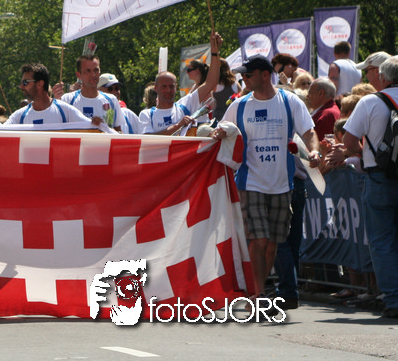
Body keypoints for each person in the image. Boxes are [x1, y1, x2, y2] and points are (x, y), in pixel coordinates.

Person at [212, 55, 321, 300]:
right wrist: (218, 133)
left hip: (282, 184)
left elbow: (308, 131)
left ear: (264, 75)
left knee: (273, 243)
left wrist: (314, 151)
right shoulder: (239, 105)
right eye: (243, 75)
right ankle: (258, 294)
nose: (244, 79)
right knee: (259, 239)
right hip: (250, 183)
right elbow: (222, 130)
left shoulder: (289, 101)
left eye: (248, 75)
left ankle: (260, 291)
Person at [340, 55, 398, 319]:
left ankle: (393, 300)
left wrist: (365, 154)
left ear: (384, 77)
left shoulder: (371, 102)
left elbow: (349, 140)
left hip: (379, 177)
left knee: (382, 241)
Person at [140, 32, 222, 135]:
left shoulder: (185, 105)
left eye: (171, 86)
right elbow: (148, 138)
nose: (168, 90)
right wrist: (178, 126)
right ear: (156, 88)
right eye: (164, 86)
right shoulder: (147, 114)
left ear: (176, 87)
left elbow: (211, 83)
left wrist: (214, 52)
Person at [4, 63, 93, 126]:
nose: (21, 87)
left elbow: (93, 128)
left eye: (25, 82)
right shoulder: (20, 116)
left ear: (40, 84)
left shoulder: (65, 111)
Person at [59, 56, 123, 131]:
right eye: (88, 71)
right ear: (78, 75)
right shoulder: (67, 100)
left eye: (96, 70)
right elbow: (59, 131)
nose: (93, 75)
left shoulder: (111, 100)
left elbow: (119, 132)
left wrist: (103, 127)